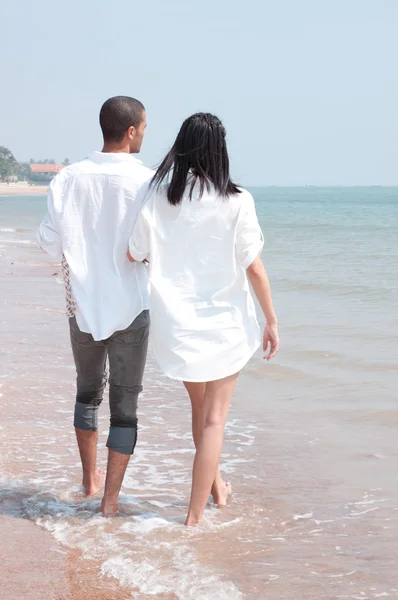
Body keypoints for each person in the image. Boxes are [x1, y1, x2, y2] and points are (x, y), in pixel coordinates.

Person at [128, 112, 279, 526]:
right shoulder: (237, 200)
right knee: (214, 420)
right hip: (226, 325)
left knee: (201, 412)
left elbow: (133, 252)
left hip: (179, 324)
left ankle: (218, 489)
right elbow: (254, 268)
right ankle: (194, 519)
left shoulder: (158, 198)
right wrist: (272, 320)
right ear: (220, 150)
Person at [37, 96, 153, 515]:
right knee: (126, 406)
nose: (144, 133)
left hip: (81, 305)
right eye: (144, 127)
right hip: (132, 307)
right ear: (131, 131)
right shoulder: (148, 182)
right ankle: (109, 504)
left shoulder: (68, 178)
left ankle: (88, 482)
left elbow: (50, 241)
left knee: (87, 394)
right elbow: (151, 245)